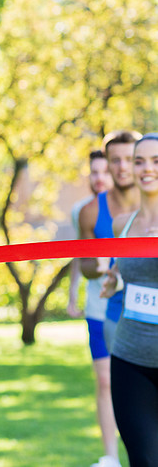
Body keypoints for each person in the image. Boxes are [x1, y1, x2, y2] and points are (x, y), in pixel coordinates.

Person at [100, 133, 158, 467]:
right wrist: (114, 279)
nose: (146, 168)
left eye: (155, 161)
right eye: (140, 161)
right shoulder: (124, 224)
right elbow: (126, 274)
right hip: (129, 359)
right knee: (144, 460)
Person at [67, 149, 117, 467]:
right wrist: (73, 294)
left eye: (104, 171)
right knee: (104, 380)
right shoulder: (81, 212)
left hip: (137, 309)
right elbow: (78, 255)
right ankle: (110, 456)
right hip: (98, 307)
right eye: (93, 171)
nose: (98, 177)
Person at [79, 130, 141, 354]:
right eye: (115, 160)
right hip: (113, 314)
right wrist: (98, 265)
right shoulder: (90, 211)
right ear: (107, 163)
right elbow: (84, 265)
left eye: (130, 159)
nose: (123, 167)